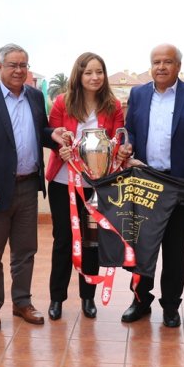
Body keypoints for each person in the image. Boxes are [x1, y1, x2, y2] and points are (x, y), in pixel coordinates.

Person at [119, 43, 184, 328]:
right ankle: (140, 301)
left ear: (179, 66)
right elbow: (132, 133)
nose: (161, 67)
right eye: (156, 62)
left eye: (167, 62)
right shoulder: (138, 94)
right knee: (142, 247)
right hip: (145, 183)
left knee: (175, 249)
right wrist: (128, 147)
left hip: (179, 184)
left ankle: (171, 305)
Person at [0, 43, 65, 332]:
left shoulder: (35, 97)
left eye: (23, 65)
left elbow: (39, 133)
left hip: (28, 186)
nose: (18, 70)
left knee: (25, 250)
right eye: (12, 65)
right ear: (0, 67)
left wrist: (55, 136)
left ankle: (22, 302)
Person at [45, 52, 125, 320]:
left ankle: (87, 297)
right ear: (78, 74)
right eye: (88, 72)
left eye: (99, 72)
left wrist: (120, 150)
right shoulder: (62, 103)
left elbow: (117, 141)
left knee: (91, 241)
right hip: (63, 183)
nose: (94, 77)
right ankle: (57, 298)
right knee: (64, 240)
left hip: (96, 185)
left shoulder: (112, 106)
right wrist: (61, 146)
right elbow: (53, 136)